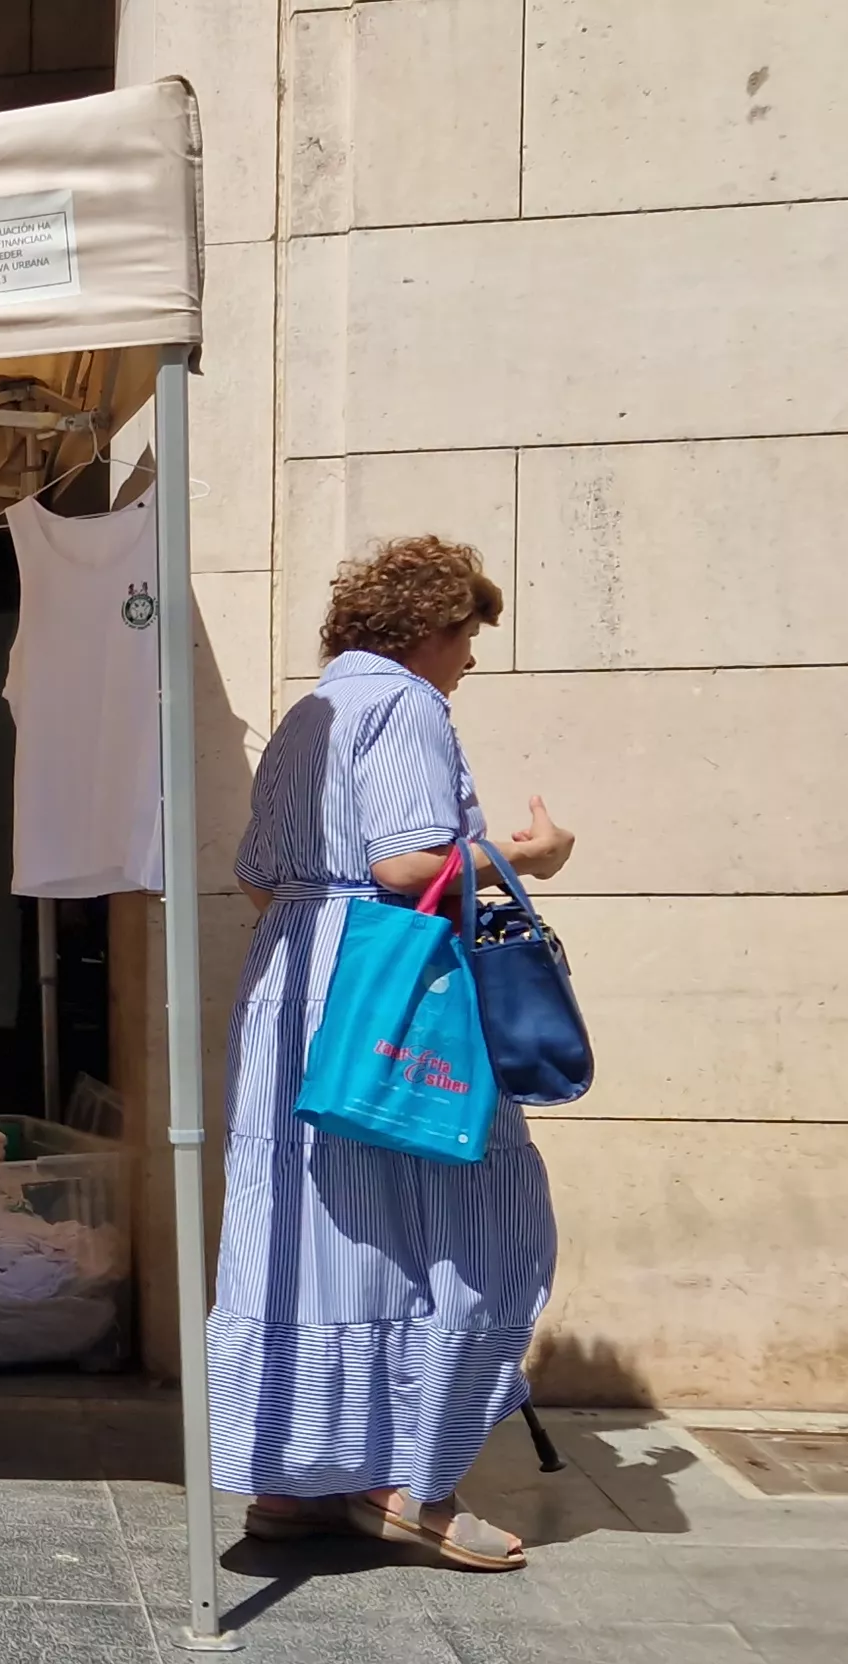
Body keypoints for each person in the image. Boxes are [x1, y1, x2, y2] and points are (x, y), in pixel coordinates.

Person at [221, 536, 576, 1571]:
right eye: (467, 633)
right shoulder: (408, 706)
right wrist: (524, 855)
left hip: (292, 985)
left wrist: (322, 936)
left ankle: (293, 1478)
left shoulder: (308, 714)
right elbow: (403, 863)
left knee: (315, 1225)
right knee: (466, 1222)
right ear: (429, 628)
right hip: (389, 998)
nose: (469, 656)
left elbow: (257, 874)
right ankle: (405, 1482)